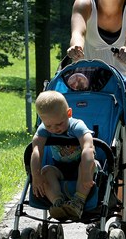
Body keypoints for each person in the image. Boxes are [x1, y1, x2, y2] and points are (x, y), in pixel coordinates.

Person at [67, 0, 126, 204]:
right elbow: (77, 31)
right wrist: (76, 46)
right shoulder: (84, 3)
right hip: (91, 89)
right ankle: (85, 200)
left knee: (125, 152)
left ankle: (120, 211)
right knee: (86, 143)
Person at [31, 90, 96, 221]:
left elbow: (88, 147)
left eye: (59, 124)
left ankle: (78, 202)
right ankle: (58, 203)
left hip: (82, 166)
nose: (54, 129)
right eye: (49, 125)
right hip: (60, 168)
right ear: (41, 119)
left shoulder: (77, 126)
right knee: (46, 171)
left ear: (69, 113)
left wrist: (87, 172)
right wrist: (35, 175)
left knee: (87, 164)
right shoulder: (43, 129)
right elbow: (36, 150)